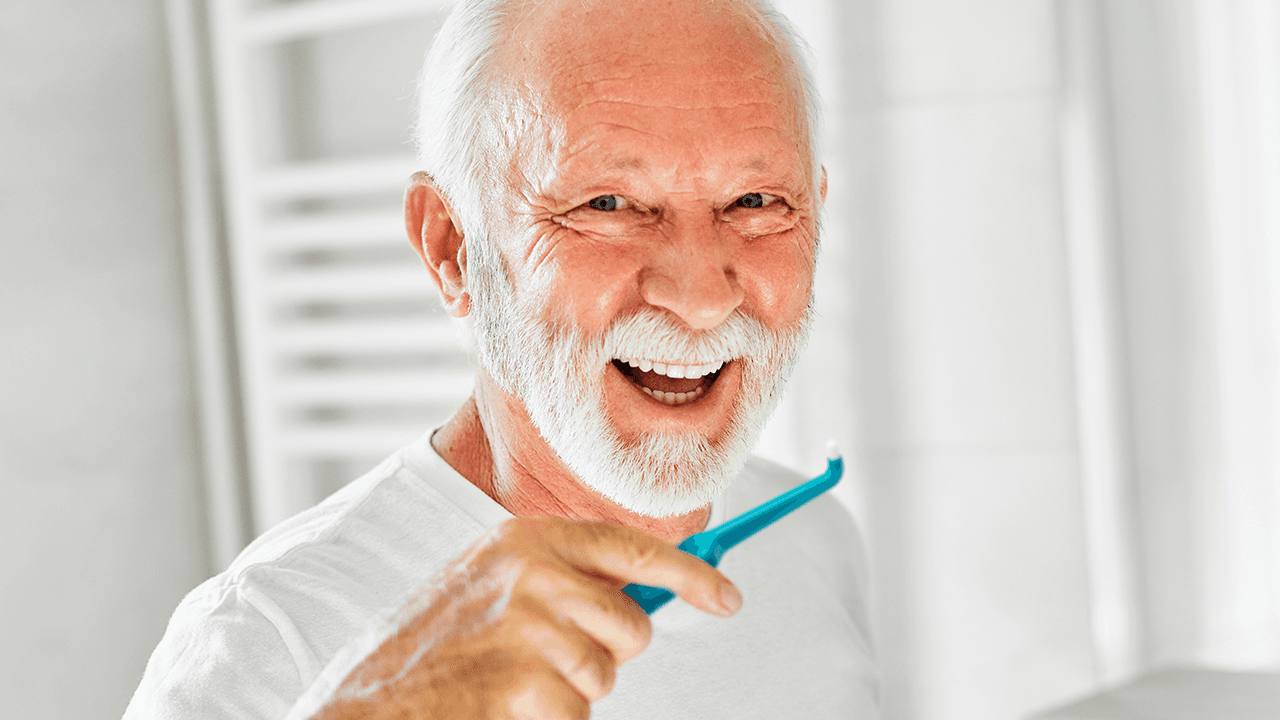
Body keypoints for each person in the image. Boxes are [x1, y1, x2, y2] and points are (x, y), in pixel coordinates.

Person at [125, 0, 879, 717]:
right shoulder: (271, 639)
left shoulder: (816, 540)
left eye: (754, 202)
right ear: (451, 250)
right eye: (607, 206)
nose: (702, 298)